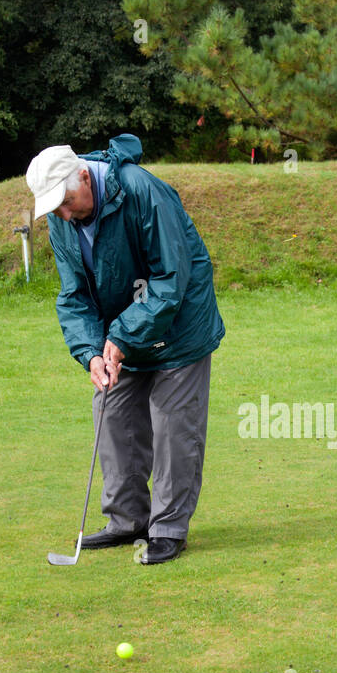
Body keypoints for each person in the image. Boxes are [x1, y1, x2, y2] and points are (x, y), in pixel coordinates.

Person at [26, 133, 224, 564]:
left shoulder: (142, 190)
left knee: (173, 422)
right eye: (53, 207)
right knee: (110, 409)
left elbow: (171, 279)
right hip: (124, 330)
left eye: (66, 200)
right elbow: (74, 295)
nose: (62, 212)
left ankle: (168, 528)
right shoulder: (63, 219)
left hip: (179, 327)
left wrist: (121, 334)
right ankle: (127, 520)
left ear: (83, 174)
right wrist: (92, 353)